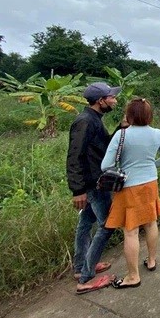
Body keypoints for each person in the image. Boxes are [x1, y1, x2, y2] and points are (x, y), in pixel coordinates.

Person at [101, 98, 160, 289]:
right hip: (150, 183)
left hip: (129, 187)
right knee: (151, 222)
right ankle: (151, 261)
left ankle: (133, 276)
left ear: (129, 115)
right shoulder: (158, 134)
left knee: (131, 231)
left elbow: (105, 165)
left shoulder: (121, 136)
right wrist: (151, 165)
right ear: (149, 115)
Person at [67, 82, 121, 294]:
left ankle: (81, 267)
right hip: (93, 183)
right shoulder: (85, 122)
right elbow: (74, 156)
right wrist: (77, 190)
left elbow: (103, 147)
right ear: (101, 101)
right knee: (108, 225)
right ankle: (86, 279)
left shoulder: (94, 119)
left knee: (86, 222)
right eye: (111, 97)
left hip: (94, 180)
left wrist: (120, 128)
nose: (114, 100)